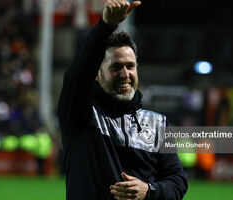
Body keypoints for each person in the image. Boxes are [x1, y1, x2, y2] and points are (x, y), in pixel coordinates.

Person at [58, 1, 187, 199]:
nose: (125, 74)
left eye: (130, 66)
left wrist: (149, 190)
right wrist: (105, 26)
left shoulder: (158, 123)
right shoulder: (82, 114)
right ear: (97, 75)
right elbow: (77, 76)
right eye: (116, 67)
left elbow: (177, 182)